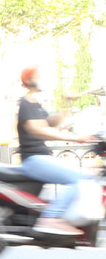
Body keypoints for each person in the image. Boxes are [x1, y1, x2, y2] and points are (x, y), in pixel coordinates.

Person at [16, 66, 98, 237]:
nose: (43, 80)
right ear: (29, 80)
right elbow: (37, 129)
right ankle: (51, 217)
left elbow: (52, 122)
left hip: (42, 157)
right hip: (34, 159)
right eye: (39, 76)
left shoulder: (35, 104)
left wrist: (67, 103)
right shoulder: (25, 103)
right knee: (79, 179)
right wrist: (74, 138)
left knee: (84, 177)